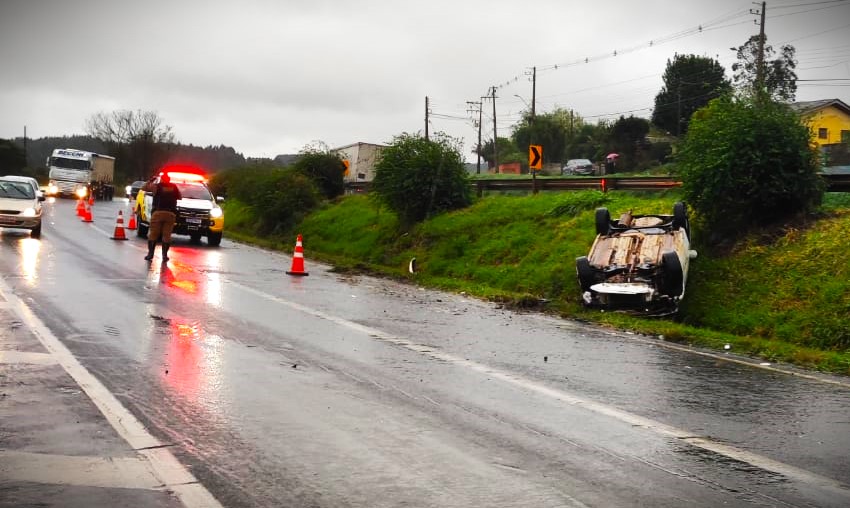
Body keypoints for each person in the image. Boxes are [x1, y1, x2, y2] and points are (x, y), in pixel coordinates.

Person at [145, 173, 182, 262]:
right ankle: (164, 256)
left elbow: (144, 188)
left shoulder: (157, 186)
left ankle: (150, 254)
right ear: (169, 179)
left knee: (153, 234)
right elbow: (180, 197)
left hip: (158, 212)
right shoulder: (174, 187)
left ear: (162, 179)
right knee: (167, 236)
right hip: (170, 214)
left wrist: (151, 180)